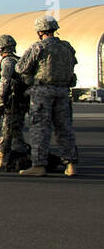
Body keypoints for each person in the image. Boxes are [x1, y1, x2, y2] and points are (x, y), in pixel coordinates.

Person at [15, 15, 79, 176]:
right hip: (63, 92)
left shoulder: (38, 47)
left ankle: (39, 165)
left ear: (39, 31)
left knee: (40, 129)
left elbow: (21, 68)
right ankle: (70, 164)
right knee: (65, 129)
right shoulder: (67, 47)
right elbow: (72, 66)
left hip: (42, 92)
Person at [0, 34, 29, 168]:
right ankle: (20, 155)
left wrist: (0, 99)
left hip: (12, 101)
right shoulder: (19, 60)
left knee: (7, 128)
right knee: (16, 128)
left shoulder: (7, 62)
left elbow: (5, 80)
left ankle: (2, 156)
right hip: (22, 100)